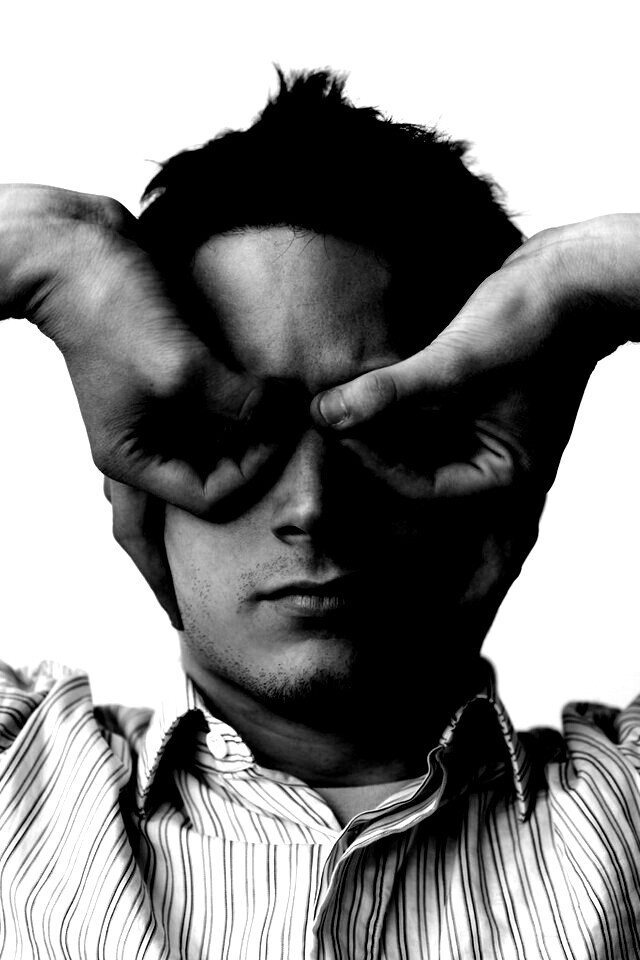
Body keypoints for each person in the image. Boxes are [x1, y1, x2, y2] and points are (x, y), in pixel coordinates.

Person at [0, 70, 639, 959]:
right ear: (134, 480)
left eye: (395, 429)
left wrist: (584, 282)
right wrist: (49, 247)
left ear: (505, 474)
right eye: (233, 433)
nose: (312, 507)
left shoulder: (626, 806)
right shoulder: (19, 778)